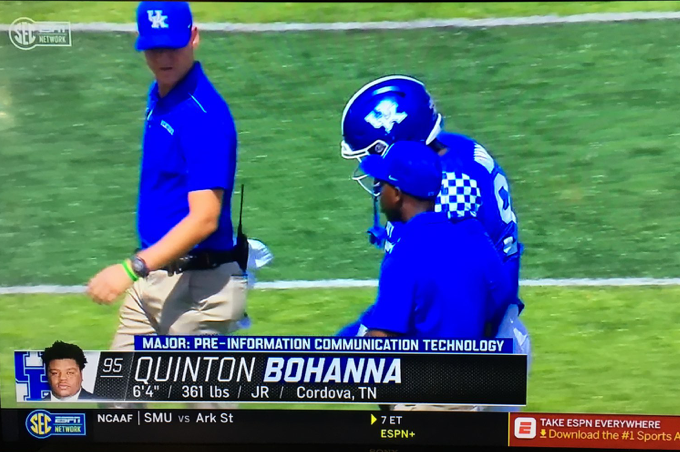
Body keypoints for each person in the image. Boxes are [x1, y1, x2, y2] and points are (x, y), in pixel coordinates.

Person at [86, 1, 249, 350]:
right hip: (152, 282)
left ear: (193, 37)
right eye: (154, 49)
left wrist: (130, 269)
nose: (163, 59)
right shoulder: (161, 96)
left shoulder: (203, 117)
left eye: (172, 47)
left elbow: (204, 219)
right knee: (114, 385)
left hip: (197, 295)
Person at [338, 75, 528, 349]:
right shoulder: (456, 151)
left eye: (373, 154)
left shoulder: (443, 201)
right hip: (489, 322)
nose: (369, 167)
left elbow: (454, 312)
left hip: (468, 338)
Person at [349, 141, 513, 340]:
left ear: (397, 194)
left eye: (382, 184)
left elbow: (380, 339)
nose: (379, 192)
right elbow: (502, 298)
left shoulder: (403, 255)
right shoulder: (474, 233)